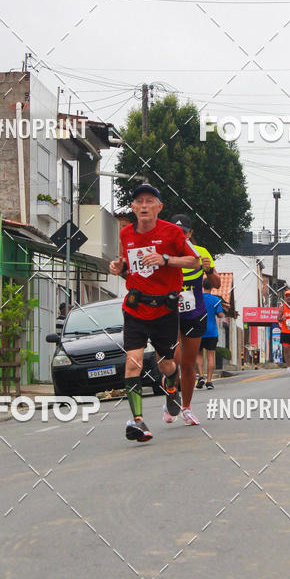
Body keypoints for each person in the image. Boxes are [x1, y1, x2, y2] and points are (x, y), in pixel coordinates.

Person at [109, 185, 202, 443]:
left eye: (150, 201)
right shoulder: (126, 233)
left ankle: (171, 387)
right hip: (136, 308)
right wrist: (119, 266)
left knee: (166, 364)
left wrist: (165, 259)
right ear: (134, 208)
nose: (144, 205)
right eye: (139, 201)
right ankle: (137, 421)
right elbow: (127, 263)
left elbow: (195, 262)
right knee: (133, 363)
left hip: (164, 312)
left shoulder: (172, 232)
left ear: (159, 207)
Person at [163, 215, 221, 423]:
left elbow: (215, 283)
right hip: (170, 313)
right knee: (173, 360)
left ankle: (186, 407)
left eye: (184, 231)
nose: (180, 235)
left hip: (194, 312)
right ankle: (171, 392)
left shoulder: (201, 253)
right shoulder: (164, 253)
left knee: (188, 365)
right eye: (176, 231)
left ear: (190, 233)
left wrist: (208, 269)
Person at [196, 277, 225, 389]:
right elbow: (220, 315)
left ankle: (201, 376)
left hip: (198, 330)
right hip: (211, 331)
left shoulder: (197, 298)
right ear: (212, 287)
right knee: (210, 356)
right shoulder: (216, 300)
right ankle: (209, 381)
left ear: (202, 286)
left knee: (198, 355)